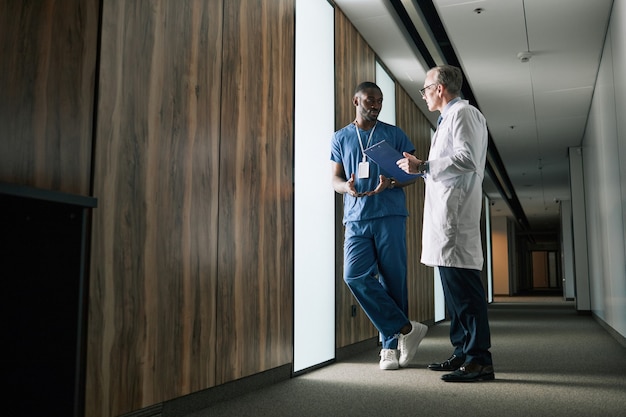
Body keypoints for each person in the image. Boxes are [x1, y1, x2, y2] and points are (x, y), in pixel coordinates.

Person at [397, 65, 495, 382]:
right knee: (454, 297)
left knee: (466, 296)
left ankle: (479, 361)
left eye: (425, 89)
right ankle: (462, 353)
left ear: (440, 88)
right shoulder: (447, 120)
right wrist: (422, 169)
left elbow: (466, 158)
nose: (423, 94)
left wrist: (423, 164)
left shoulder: (464, 114)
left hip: (455, 222)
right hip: (445, 220)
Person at [331, 81, 428, 370]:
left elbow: (415, 173)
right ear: (355, 101)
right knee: (354, 275)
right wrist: (345, 189)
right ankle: (406, 329)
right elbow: (334, 179)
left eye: (380, 101)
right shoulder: (340, 137)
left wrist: (394, 182)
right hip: (356, 217)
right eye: (370, 100)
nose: (375, 105)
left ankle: (389, 349)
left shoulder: (394, 134)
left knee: (393, 280)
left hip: (390, 215)